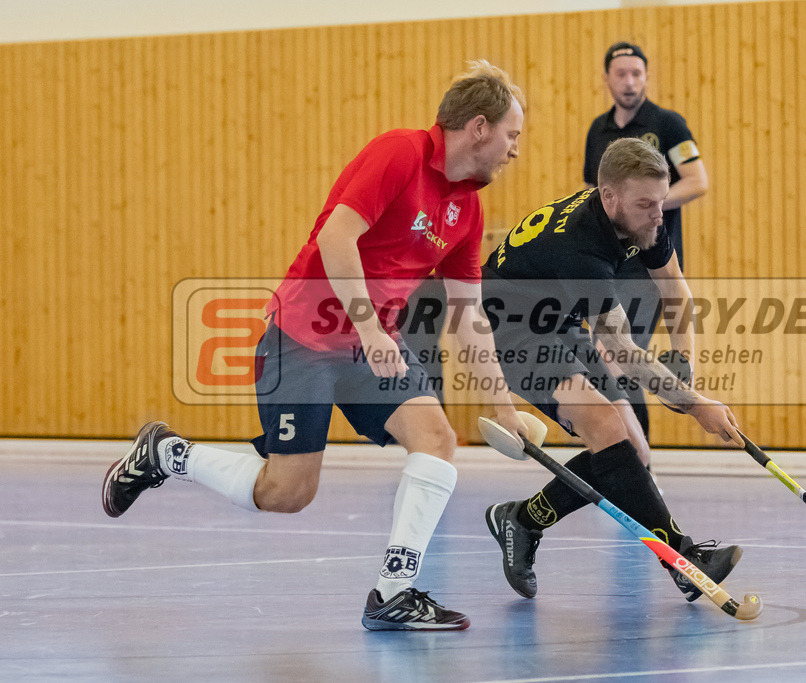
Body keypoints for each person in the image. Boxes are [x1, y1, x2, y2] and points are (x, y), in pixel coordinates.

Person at [102, 60, 530, 632]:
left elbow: (468, 315)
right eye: (512, 135)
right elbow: (336, 235)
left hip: (369, 352)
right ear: (479, 127)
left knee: (436, 438)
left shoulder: (467, 210)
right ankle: (165, 454)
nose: (515, 151)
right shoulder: (399, 153)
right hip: (301, 341)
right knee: (287, 492)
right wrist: (372, 328)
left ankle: (393, 593)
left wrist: (505, 409)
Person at [480, 137, 744, 603]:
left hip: (558, 319)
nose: (659, 216)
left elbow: (675, 290)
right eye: (647, 205)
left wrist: (684, 369)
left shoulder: (644, 217)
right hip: (510, 329)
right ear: (609, 197)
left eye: (661, 202)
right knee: (605, 426)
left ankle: (521, 519)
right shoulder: (580, 245)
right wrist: (698, 405)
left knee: (632, 453)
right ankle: (680, 558)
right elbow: (619, 348)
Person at [583, 41, 709, 448]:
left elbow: (697, 180)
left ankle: (639, 462)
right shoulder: (597, 131)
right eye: (621, 74)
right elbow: (594, 195)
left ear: (646, 77)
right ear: (606, 79)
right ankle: (627, 457)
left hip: (650, 267)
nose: (629, 81)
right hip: (609, 266)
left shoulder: (668, 124)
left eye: (637, 73)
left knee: (624, 356)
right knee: (610, 357)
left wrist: (644, 206)